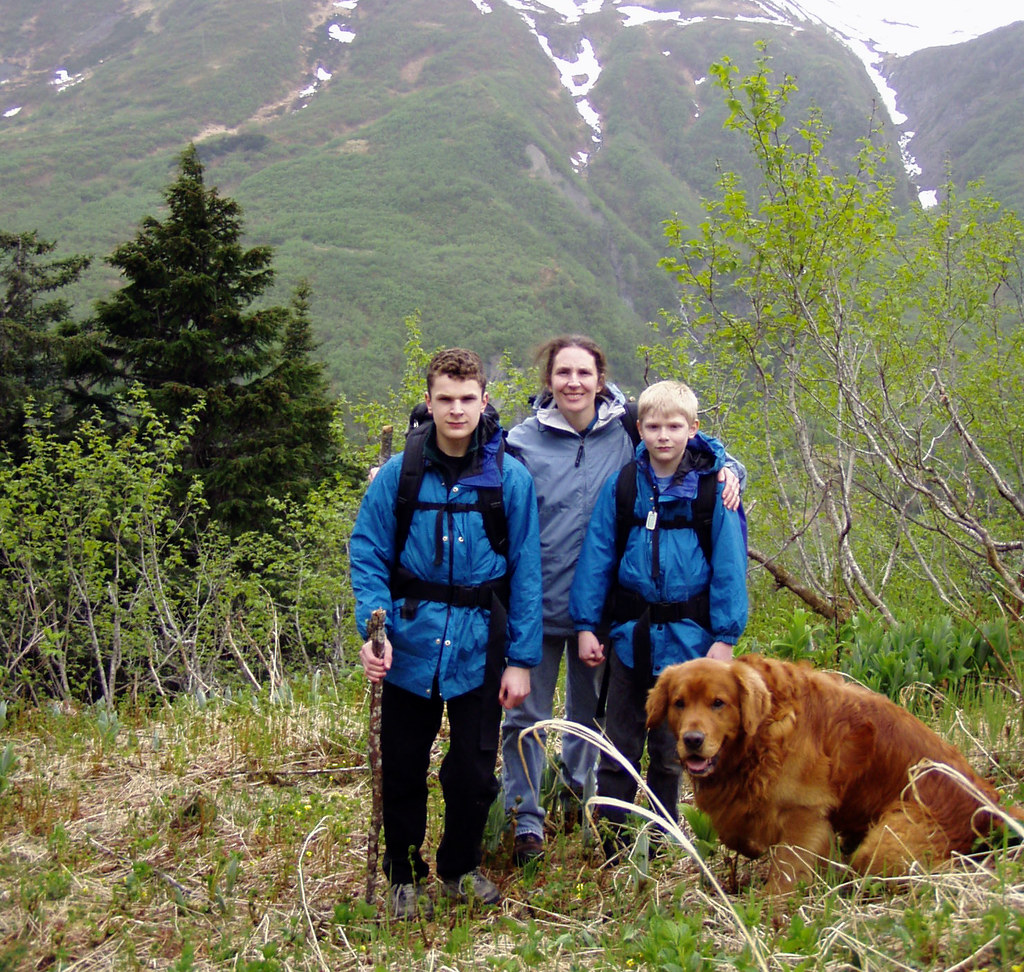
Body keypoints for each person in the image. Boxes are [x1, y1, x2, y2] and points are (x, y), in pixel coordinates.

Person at [499, 338, 743, 865]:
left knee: (601, 726)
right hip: (546, 608)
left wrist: (730, 468)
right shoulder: (522, 441)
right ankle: (528, 823)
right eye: (562, 372)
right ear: (548, 380)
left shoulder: (626, 428)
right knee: (531, 718)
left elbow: (692, 440)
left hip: (629, 623)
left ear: (601, 378)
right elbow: (470, 454)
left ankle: (592, 811)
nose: (573, 382)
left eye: (583, 371)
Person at [350, 348, 542, 919]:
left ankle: (460, 868)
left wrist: (521, 659)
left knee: (473, 771)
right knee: (403, 765)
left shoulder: (509, 477)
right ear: (428, 401)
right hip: (408, 640)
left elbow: (528, 571)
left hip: (484, 643)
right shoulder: (398, 476)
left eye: (466, 399)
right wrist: (374, 629)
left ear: (483, 400)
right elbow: (368, 553)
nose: (456, 411)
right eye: (445, 399)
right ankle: (403, 877)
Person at [569, 379, 748, 857]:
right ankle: (611, 842)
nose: (663, 436)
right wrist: (588, 625)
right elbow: (598, 556)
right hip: (630, 639)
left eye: (674, 426)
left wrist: (726, 637)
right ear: (640, 429)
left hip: (692, 647)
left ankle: (664, 842)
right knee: (620, 743)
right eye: (653, 426)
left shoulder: (714, 490)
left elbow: (730, 567)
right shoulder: (625, 485)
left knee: (673, 754)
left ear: (693, 429)